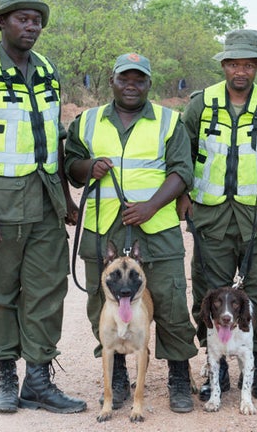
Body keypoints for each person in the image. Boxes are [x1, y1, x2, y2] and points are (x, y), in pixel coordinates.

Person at [0, 0, 86, 415]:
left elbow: (55, 139)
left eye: (37, 20)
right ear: (3, 22)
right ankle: (6, 378)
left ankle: (40, 380)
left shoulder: (48, 71)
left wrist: (66, 196)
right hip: (0, 206)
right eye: (23, 19)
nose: (31, 27)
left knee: (48, 289)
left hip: (45, 202)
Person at [65, 53, 198, 413]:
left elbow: (182, 171)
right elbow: (71, 166)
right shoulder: (88, 121)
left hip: (157, 230)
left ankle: (179, 377)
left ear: (149, 84)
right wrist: (88, 166)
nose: (131, 85)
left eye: (139, 79)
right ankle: (118, 376)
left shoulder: (170, 122)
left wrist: (152, 206)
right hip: (102, 230)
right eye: (125, 78)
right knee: (104, 305)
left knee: (170, 306)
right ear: (112, 80)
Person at [178, 29, 257, 403]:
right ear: (224, 65)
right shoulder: (200, 104)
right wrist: (183, 194)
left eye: (247, 64)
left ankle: (254, 369)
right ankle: (217, 371)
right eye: (232, 63)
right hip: (211, 218)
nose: (239, 71)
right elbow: (182, 151)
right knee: (209, 296)